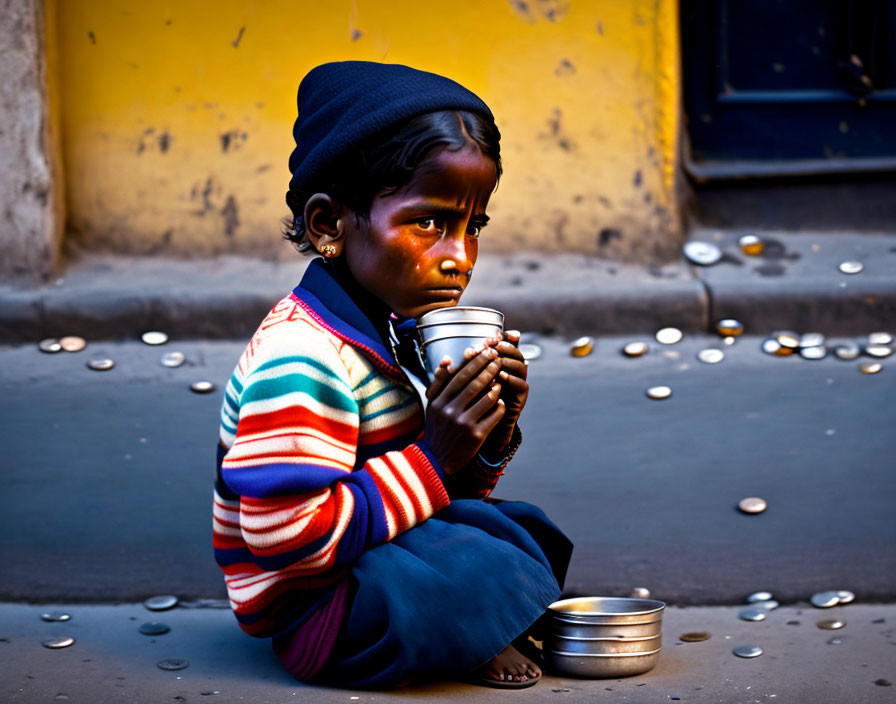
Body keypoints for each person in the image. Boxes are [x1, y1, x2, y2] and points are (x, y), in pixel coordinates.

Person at [213, 60, 572, 690]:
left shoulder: (388, 326)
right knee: (478, 569)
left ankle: (481, 618)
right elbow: (283, 539)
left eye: (473, 226)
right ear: (330, 225)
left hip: (371, 553)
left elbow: (440, 498)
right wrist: (435, 453)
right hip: (315, 609)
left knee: (519, 528)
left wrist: (487, 433)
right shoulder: (300, 355)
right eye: (428, 222)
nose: (459, 257)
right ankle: (471, 630)